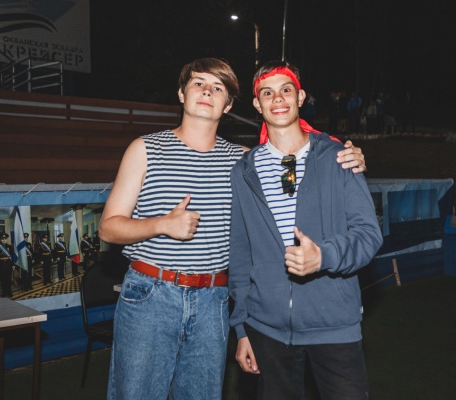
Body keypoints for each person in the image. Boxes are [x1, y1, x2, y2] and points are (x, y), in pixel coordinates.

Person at [99, 58, 367, 400]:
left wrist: (349, 156)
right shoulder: (145, 149)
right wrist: (162, 224)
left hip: (213, 301)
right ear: (181, 94)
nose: (206, 91)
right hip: (151, 295)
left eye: (217, 87)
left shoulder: (242, 162)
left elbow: (292, 159)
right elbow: (108, 229)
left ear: (227, 105)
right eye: (198, 84)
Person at [228, 60, 384, 400]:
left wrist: (323, 257)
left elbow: (369, 234)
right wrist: (242, 328)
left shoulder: (338, 157)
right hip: (267, 329)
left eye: (286, 90)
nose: (278, 99)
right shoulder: (243, 172)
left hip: (334, 325)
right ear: (257, 104)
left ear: (300, 97)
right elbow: (240, 254)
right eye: (267, 93)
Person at [0, 233, 15, 298]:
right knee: (2, 280)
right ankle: (4, 292)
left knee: (8, 279)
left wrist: (13, 265)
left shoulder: (10, 247)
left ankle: (9, 292)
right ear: (0, 240)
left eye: (5, 239)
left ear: (7, 239)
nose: (4, 240)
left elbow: (12, 256)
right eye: (2, 239)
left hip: (8, 265)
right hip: (1, 265)